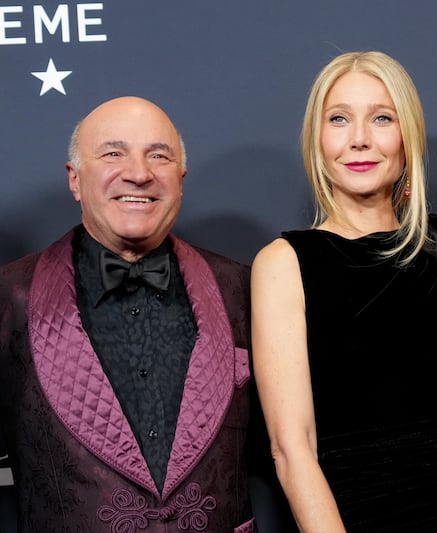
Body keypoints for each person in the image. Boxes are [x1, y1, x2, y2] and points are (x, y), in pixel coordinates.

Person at [251, 51, 437, 532]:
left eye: (381, 118)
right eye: (339, 119)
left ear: (407, 136)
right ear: (317, 139)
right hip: (366, 514)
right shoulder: (285, 263)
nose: (360, 139)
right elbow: (292, 451)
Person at [0, 96, 288, 532]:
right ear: (75, 179)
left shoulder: (243, 288)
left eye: (159, 155)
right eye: (113, 153)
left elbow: (291, 445)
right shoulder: (8, 296)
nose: (138, 173)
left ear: (181, 178)